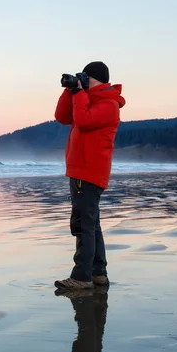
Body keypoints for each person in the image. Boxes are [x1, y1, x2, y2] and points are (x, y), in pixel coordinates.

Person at [53, 61, 126, 290]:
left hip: (89, 170)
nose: (82, 80)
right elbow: (62, 117)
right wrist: (71, 90)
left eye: (86, 77)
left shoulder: (108, 104)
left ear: (95, 78)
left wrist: (79, 92)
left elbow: (83, 121)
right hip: (81, 169)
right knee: (91, 224)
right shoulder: (87, 99)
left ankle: (81, 277)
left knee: (83, 224)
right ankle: (98, 273)